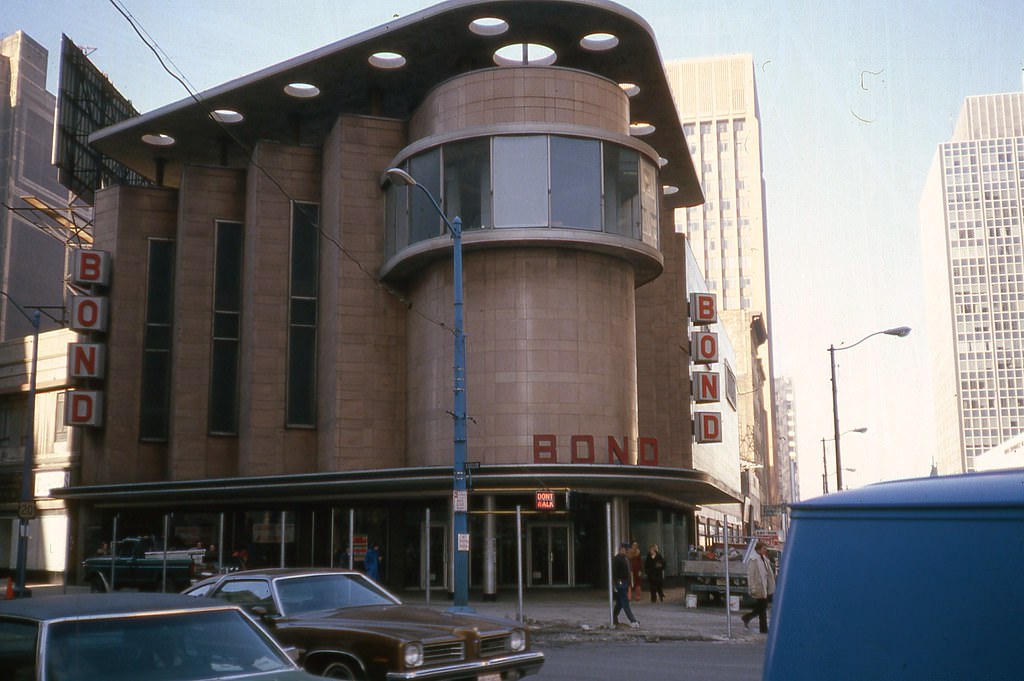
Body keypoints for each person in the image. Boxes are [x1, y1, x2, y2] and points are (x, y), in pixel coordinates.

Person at [742, 541, 776, 633]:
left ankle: (747, 617)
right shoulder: (754, 560)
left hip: (764, 586)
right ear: (758, 549)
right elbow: (751, 574)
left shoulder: (764, 559)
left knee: (761, 608)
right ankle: (763, 629)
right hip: (759, 586)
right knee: (762, 609)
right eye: (764, 548)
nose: (765, 550)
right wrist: (752, 587)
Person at [612, 542, 640, 628]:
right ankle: (632, 620)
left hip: (625, 582)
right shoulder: (617, 559)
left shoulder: (626, 558)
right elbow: (615, 573)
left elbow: (628, 571)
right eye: (626, 549)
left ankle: (613, 617)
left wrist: (629, 583)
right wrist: (617, 583)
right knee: (625, 602)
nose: (627, 551)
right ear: (621, 549)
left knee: (620, 603)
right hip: (620, 582)